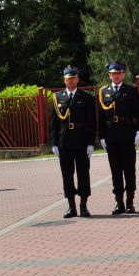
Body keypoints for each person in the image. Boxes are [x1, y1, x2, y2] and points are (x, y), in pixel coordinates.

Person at [49, 65, 96, 218]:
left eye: (73, 78)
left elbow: (91, 122)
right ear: (64, 80)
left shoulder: (87, 97)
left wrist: (91, 143)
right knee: (67, 175)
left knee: (83, 174)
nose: (70, 81)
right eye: (68, 78)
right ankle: (71, 207)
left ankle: (83, 206)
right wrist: (54, 143)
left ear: (77, 79)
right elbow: (54, 122)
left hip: (82, 141)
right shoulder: (57, 97)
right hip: (64, 142)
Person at [97, 61, 139, 214]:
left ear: (123, 74)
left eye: (118, 73)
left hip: (127, 134)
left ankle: (130, 202)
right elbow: (101, 117)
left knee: (129, 170)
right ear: (109, 75)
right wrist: (101, 136)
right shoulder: (104, 92)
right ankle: (119, 203)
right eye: (113, 73)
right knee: (115, 171)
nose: (116, 76)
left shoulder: (131, 90)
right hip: (111, 136)